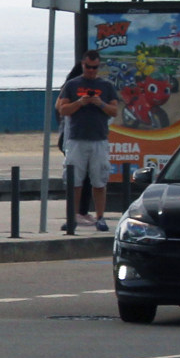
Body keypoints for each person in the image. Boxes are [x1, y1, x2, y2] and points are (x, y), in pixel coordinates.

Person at [55, 47, 120, 231]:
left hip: (99, 139)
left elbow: (114, 110)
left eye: (95, 67)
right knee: (74, 181)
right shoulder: (73, 85)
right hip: (76, 139)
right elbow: (62, 109)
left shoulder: (106, 86)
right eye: (88, 67)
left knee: (99, 180)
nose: (91, 71)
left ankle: (100, 217)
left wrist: (101, 104)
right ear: (83, 65)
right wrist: (80, 102)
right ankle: (72, 217)